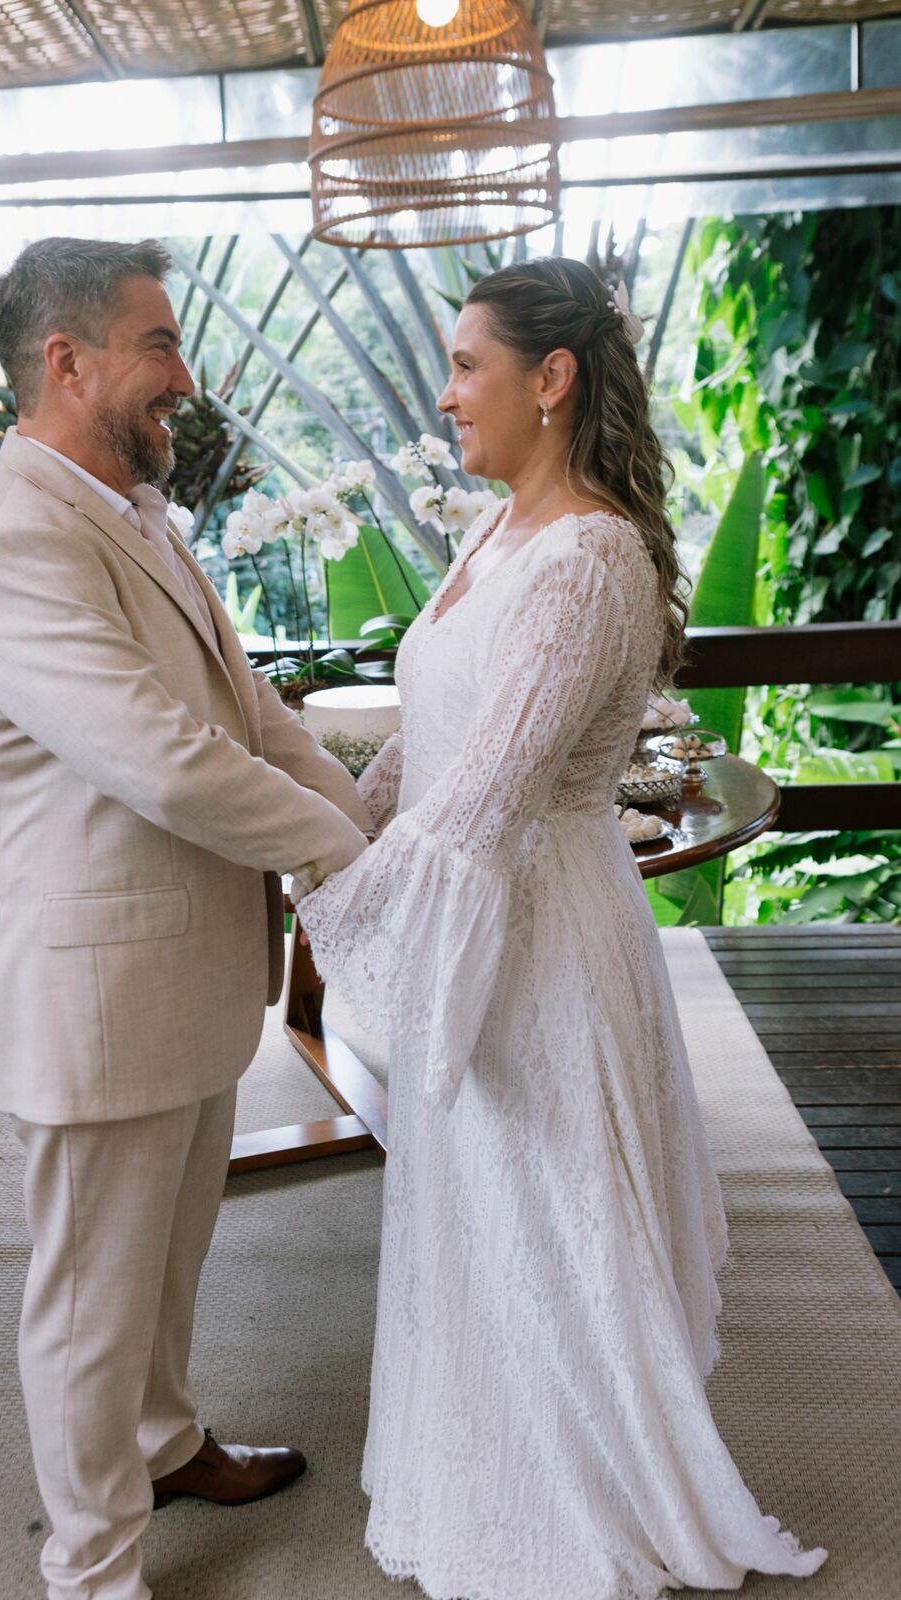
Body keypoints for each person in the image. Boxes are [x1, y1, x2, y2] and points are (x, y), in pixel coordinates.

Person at [293, 257, 828, 1600]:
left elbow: (482, 804)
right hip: (489, 914)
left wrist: (327, 896)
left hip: (541, 935)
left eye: (468, 364)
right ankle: (483, 1464)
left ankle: (581, 1497)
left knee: (553, 1214)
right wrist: (333, 825)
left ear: (553, 379)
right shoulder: (495, 533)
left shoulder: (589, 557)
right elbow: (425, 744)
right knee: (484, 1213)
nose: (446, 391)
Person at [0, 236, 372, 1600]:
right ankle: (94, 1567)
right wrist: (353, 861)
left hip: (178, 979)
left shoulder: (135, 518)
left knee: (167, 1259)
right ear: (69, 362)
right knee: (88, 1303)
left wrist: (363, 822)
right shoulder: (8, 545)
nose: (188, 374)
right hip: (90, 992)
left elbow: (249, 718)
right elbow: (164, 760)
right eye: (160, 344)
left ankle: (169, 1446)